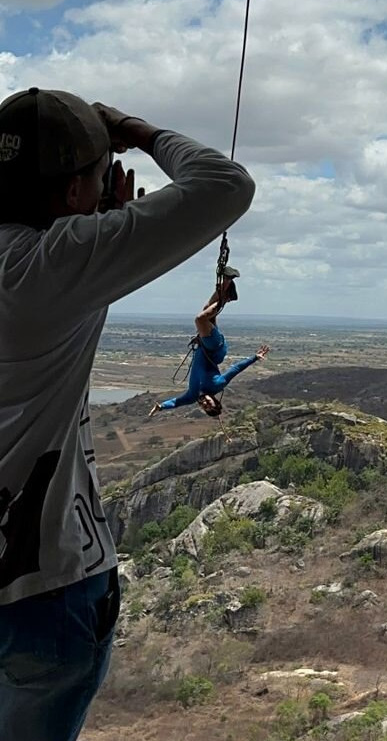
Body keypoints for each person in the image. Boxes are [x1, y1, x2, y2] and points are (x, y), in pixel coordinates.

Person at [0, 87, 255, 740]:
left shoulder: (47, 264)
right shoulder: (53, 265)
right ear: (77, 193)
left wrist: (84, 217)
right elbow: (224, 185)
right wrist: (135, 131)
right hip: (44, 586)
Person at [149, 280, 270, 416]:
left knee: (207, 308)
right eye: (209, 404)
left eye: (205, 407)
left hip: (204, 346)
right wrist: (255, 358)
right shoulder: (217, 385)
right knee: (200, 319)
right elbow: (235, 369)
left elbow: (177, 402)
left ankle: (226, 282)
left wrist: (161, 407)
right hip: (215, 349)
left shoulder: (192, 396)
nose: (205, 404)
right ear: (215, 400)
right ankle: (225, 298)